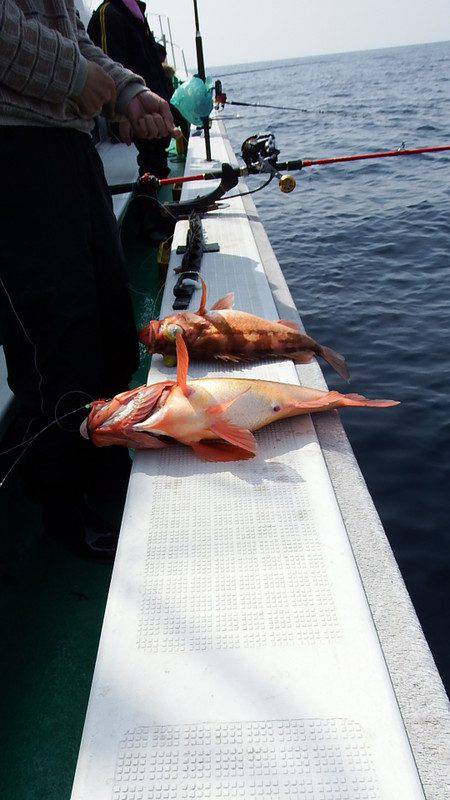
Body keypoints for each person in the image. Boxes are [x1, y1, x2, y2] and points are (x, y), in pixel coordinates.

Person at [0, 0, 180, 559]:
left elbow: (71, 34)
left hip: (70, 147)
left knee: (107, 326)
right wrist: (77, 77)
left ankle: (105, 474)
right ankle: (63, 510)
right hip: (12, 153)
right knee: (54, 342)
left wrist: (130, 91)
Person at [87, 0, 182, 177]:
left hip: (153, 109)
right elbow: (109, 64)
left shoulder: (135, 12)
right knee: (151, 168)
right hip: (137, 115)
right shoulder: (108, 13)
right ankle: (147, 201)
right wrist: (121, 118)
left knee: (159, 163)